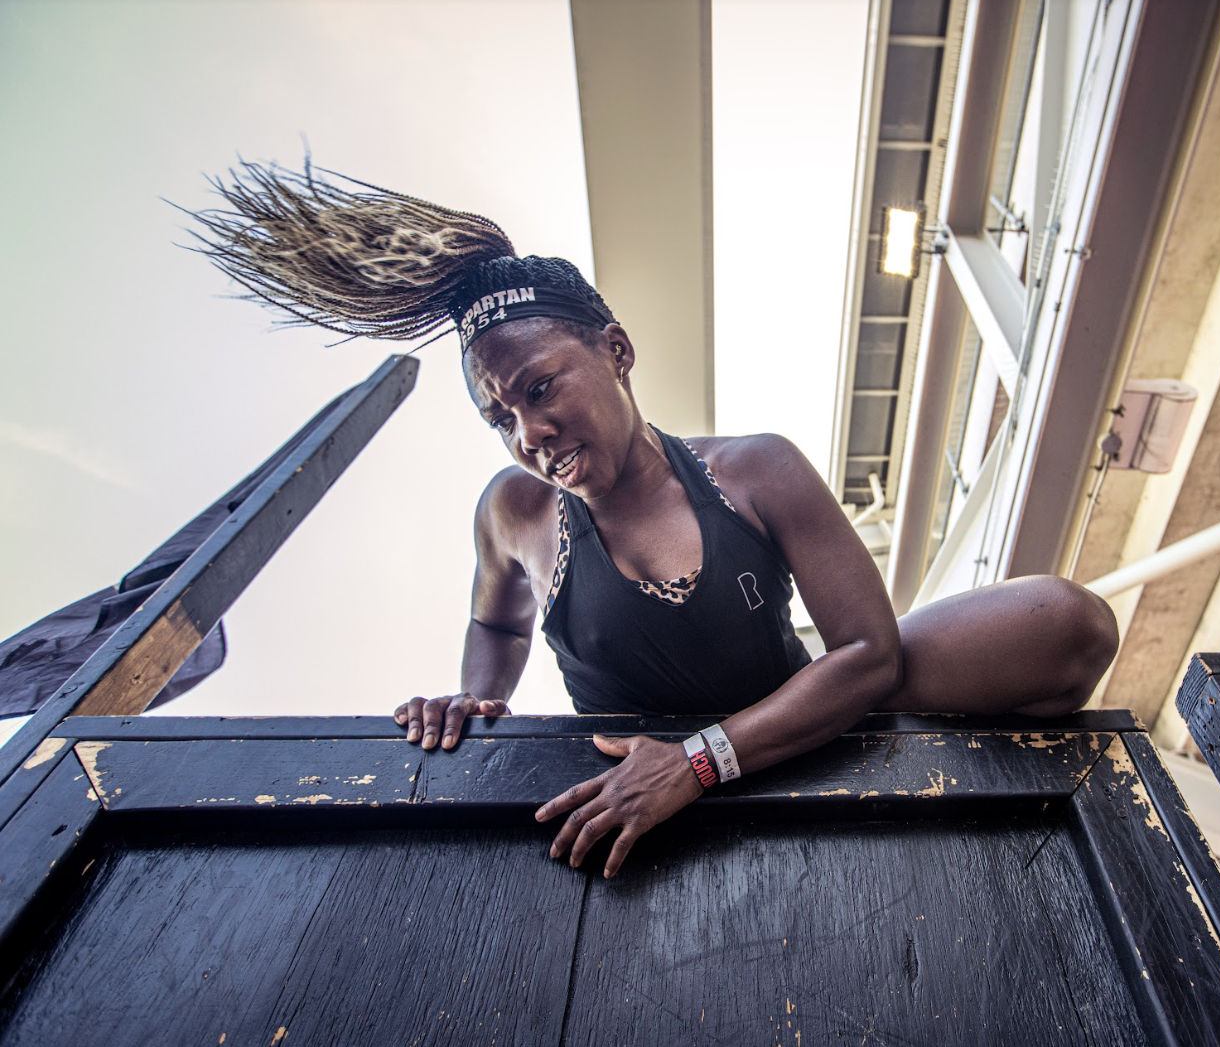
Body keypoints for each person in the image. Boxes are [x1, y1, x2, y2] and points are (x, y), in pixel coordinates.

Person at [189, 160, 1119, 879]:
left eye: (540, 387)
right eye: (498, 416)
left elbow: (867, 653)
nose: (528, 430)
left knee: (1069, 625)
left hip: (795, 714)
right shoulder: (515, 512)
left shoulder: (752, 468)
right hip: (628, 770)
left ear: (617, 350)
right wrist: (477, 697)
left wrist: (702, 761)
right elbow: (495, 620)